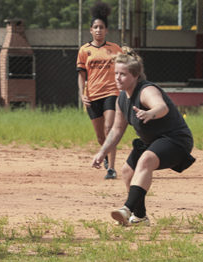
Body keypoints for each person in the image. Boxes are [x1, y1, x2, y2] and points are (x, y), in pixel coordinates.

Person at [91, 46, 195, 226]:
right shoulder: (122, 98)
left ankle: (127, 209)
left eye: (123, 74)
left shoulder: (146, 90)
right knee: (127, 171)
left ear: (135, 76)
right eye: (116, 73)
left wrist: (150, 113)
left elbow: (162, 107)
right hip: (153, 142)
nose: (117, 77)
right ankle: (139, 217)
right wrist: (102, 153)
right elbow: (116, 131)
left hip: (176, 140)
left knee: (146, 159)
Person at [77, 1, 122, 179]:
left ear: (106, 30)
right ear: (90, 30)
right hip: (92, 94)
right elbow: (81, 74)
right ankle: (104, 154)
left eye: (101, 27)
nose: (98, 30)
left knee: (110, 128)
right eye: (95, 27)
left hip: (111, 93)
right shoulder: (84, 51)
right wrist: (82, 94)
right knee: (100, 136)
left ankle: (111, 168)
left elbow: (125, 69)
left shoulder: (115, 49)